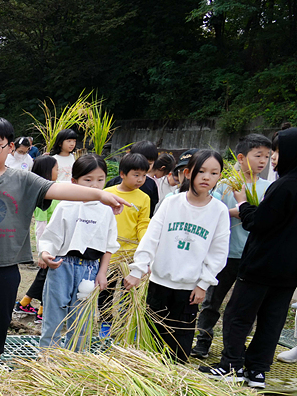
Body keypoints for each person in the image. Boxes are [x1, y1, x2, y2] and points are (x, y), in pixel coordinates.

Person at [0, 117, 128, 392]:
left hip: (6, 267)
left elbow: (59, 189)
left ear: (10, 148)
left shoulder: (23, 180)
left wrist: (99, 195)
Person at [199, 129, 297, 386]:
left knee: (238, 315)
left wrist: (243, 204)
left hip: (261, 264)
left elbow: (260, 223)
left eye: (276, 152)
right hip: (289, 271)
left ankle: (231, 366)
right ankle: (257, 371)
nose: (272, 158)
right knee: (272, 319)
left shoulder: (284, 186)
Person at [125, 150, 230, 363]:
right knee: (153, 337)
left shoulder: (219, 211)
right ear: (188, 173)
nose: (207, 177)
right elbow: (151, 238)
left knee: (180, 341)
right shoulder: (171, 203)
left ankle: (174, 381)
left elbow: (218, 252)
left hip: (189, 289)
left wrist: (203, 284)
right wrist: (138, 269)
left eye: (214, 173)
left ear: (220, 176)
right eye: (201, 171)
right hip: (159, 282)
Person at [192, 134, 273, 358]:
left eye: (267, 156)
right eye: (258, 155)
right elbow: (210, 213)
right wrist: (238, 211)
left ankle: (235, 348)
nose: (263, 161)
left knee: (245, 307)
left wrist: (247, 211)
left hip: (252, 256)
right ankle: (202, 342)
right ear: (240, 157)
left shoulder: (269, 187)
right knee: (212, 302)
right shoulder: (225, 185)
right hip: (225, 255)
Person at [37, 154, 120, 350]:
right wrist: (45, 253)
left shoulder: (106, 210)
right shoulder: (66, 205)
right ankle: (48, 358)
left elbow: (109, 245)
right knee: (54, 315)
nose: (94, 186)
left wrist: (102, 272)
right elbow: (51, 236)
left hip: (90, 270)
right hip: (62, 266)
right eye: (88, 180)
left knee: (82, 318)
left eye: (100, 180)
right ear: (74, 182)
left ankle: (75, 359)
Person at [98, 152, 152, 331]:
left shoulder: (144, 198)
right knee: (106, 290)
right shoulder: (107, 194)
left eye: (144, 175)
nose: (140, 179)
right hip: (109, 253)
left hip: (131, 255)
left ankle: (123, 324)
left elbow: (143, 225)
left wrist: (145, 249)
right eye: (136, 175)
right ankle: (106, 322)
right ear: (122, 174)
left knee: (128, 290)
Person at [15, 156, 60, 321]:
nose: (59, 171)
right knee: (47, 276)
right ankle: (40, 310)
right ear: (48, 171)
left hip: (57, 242)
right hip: (49, 245)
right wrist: (42, 251)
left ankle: (27, 303)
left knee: (46, 275)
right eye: (56, 169)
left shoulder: (56, 190)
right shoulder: (42, 194)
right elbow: (40, 225)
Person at [107, 140, 160, 215]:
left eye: (149, 164)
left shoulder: (151, 185)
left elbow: (149, 213)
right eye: (136, 175)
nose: (144, 166)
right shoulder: (113, 184)